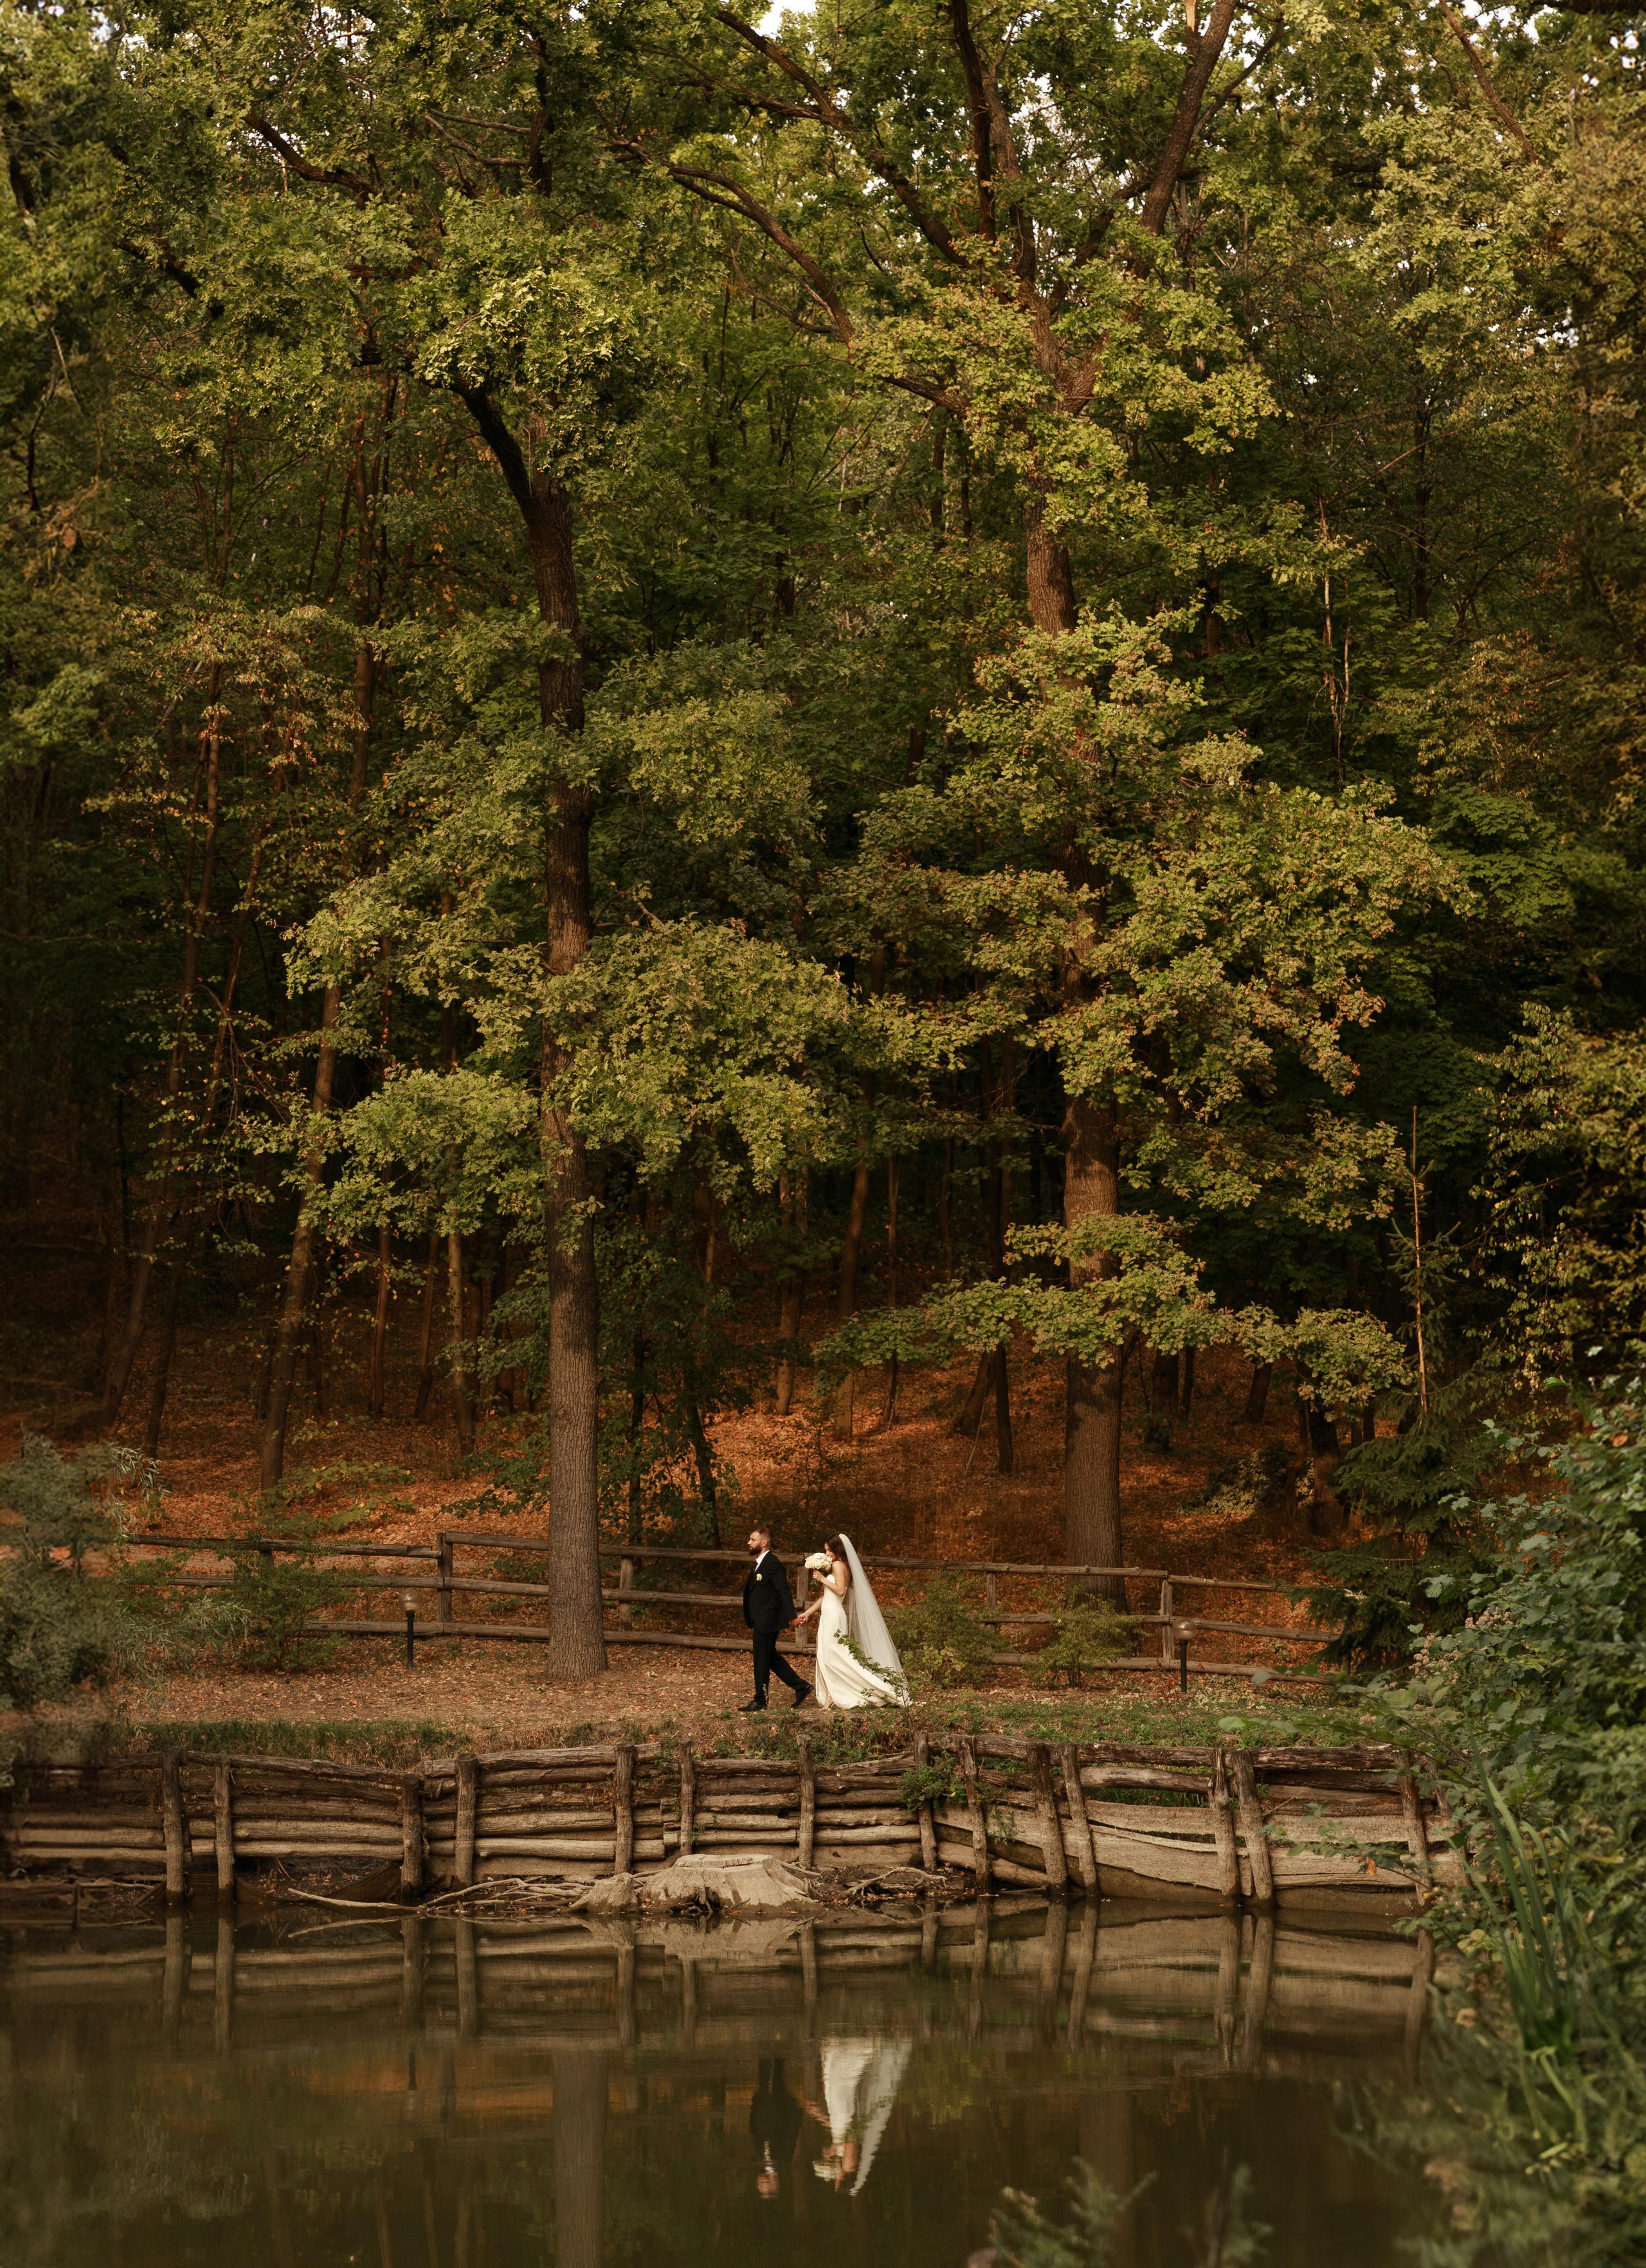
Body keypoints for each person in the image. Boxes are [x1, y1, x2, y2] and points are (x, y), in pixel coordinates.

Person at [793, 1533, 909, 1709]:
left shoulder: (839, 1566)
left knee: (834, 1655)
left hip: (834, 1614)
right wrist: (807, 1613)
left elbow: (840, 1592)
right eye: (826, 1550)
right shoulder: (839, 1566)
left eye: (829, 1550)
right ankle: (831, 1695)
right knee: (824, 1654)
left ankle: (855, 1690)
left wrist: (823, 1579)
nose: (827, 1554)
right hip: (829, 1612)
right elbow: (825, 1596)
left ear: (838, 1549)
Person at [741, 1524, 812, 1713]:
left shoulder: (773, 1563)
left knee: (761, 1659)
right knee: (770, 1657)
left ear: (764, 1543)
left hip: (768, 1619)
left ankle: (760, 1701)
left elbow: (783, 1591)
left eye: (753, 1540)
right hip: (761, 1619)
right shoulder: (759, 1562)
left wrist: (792, 1617)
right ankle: (801, 1686)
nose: (749, 1542)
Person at [750, 2056, 802, 2200]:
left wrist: (754, 2108)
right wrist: (797, 2113)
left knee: (765, 2082)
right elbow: (791, 2135)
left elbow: (755, 2133)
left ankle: (766, 2058)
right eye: (762, 2186)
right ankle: (776, 2057)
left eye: (760, 2186)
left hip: (763, 2113)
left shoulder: (761, 2161)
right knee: (776, 2082)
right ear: (773, 2182)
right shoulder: (783, 2159)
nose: (758, 2184)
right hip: (777, 2114)